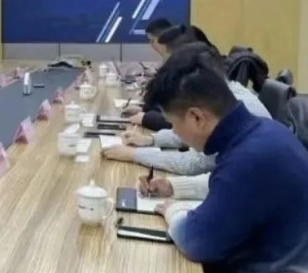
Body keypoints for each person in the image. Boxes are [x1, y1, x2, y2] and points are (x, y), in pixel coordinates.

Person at [142, 47, 308, 273]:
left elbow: (196, 241)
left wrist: (173, 210)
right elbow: (230, 184)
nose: (174, 132)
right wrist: (174, 186)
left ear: (197, 118)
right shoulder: (264, 131)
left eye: (173, 123)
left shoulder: (247, 159)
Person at [103, 43, 272, 175]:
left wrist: (133, 154)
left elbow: (193, 163)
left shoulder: (231, 115)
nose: (175, 130)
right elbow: (192, 131)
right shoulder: (225, 95)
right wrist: (151, 140)